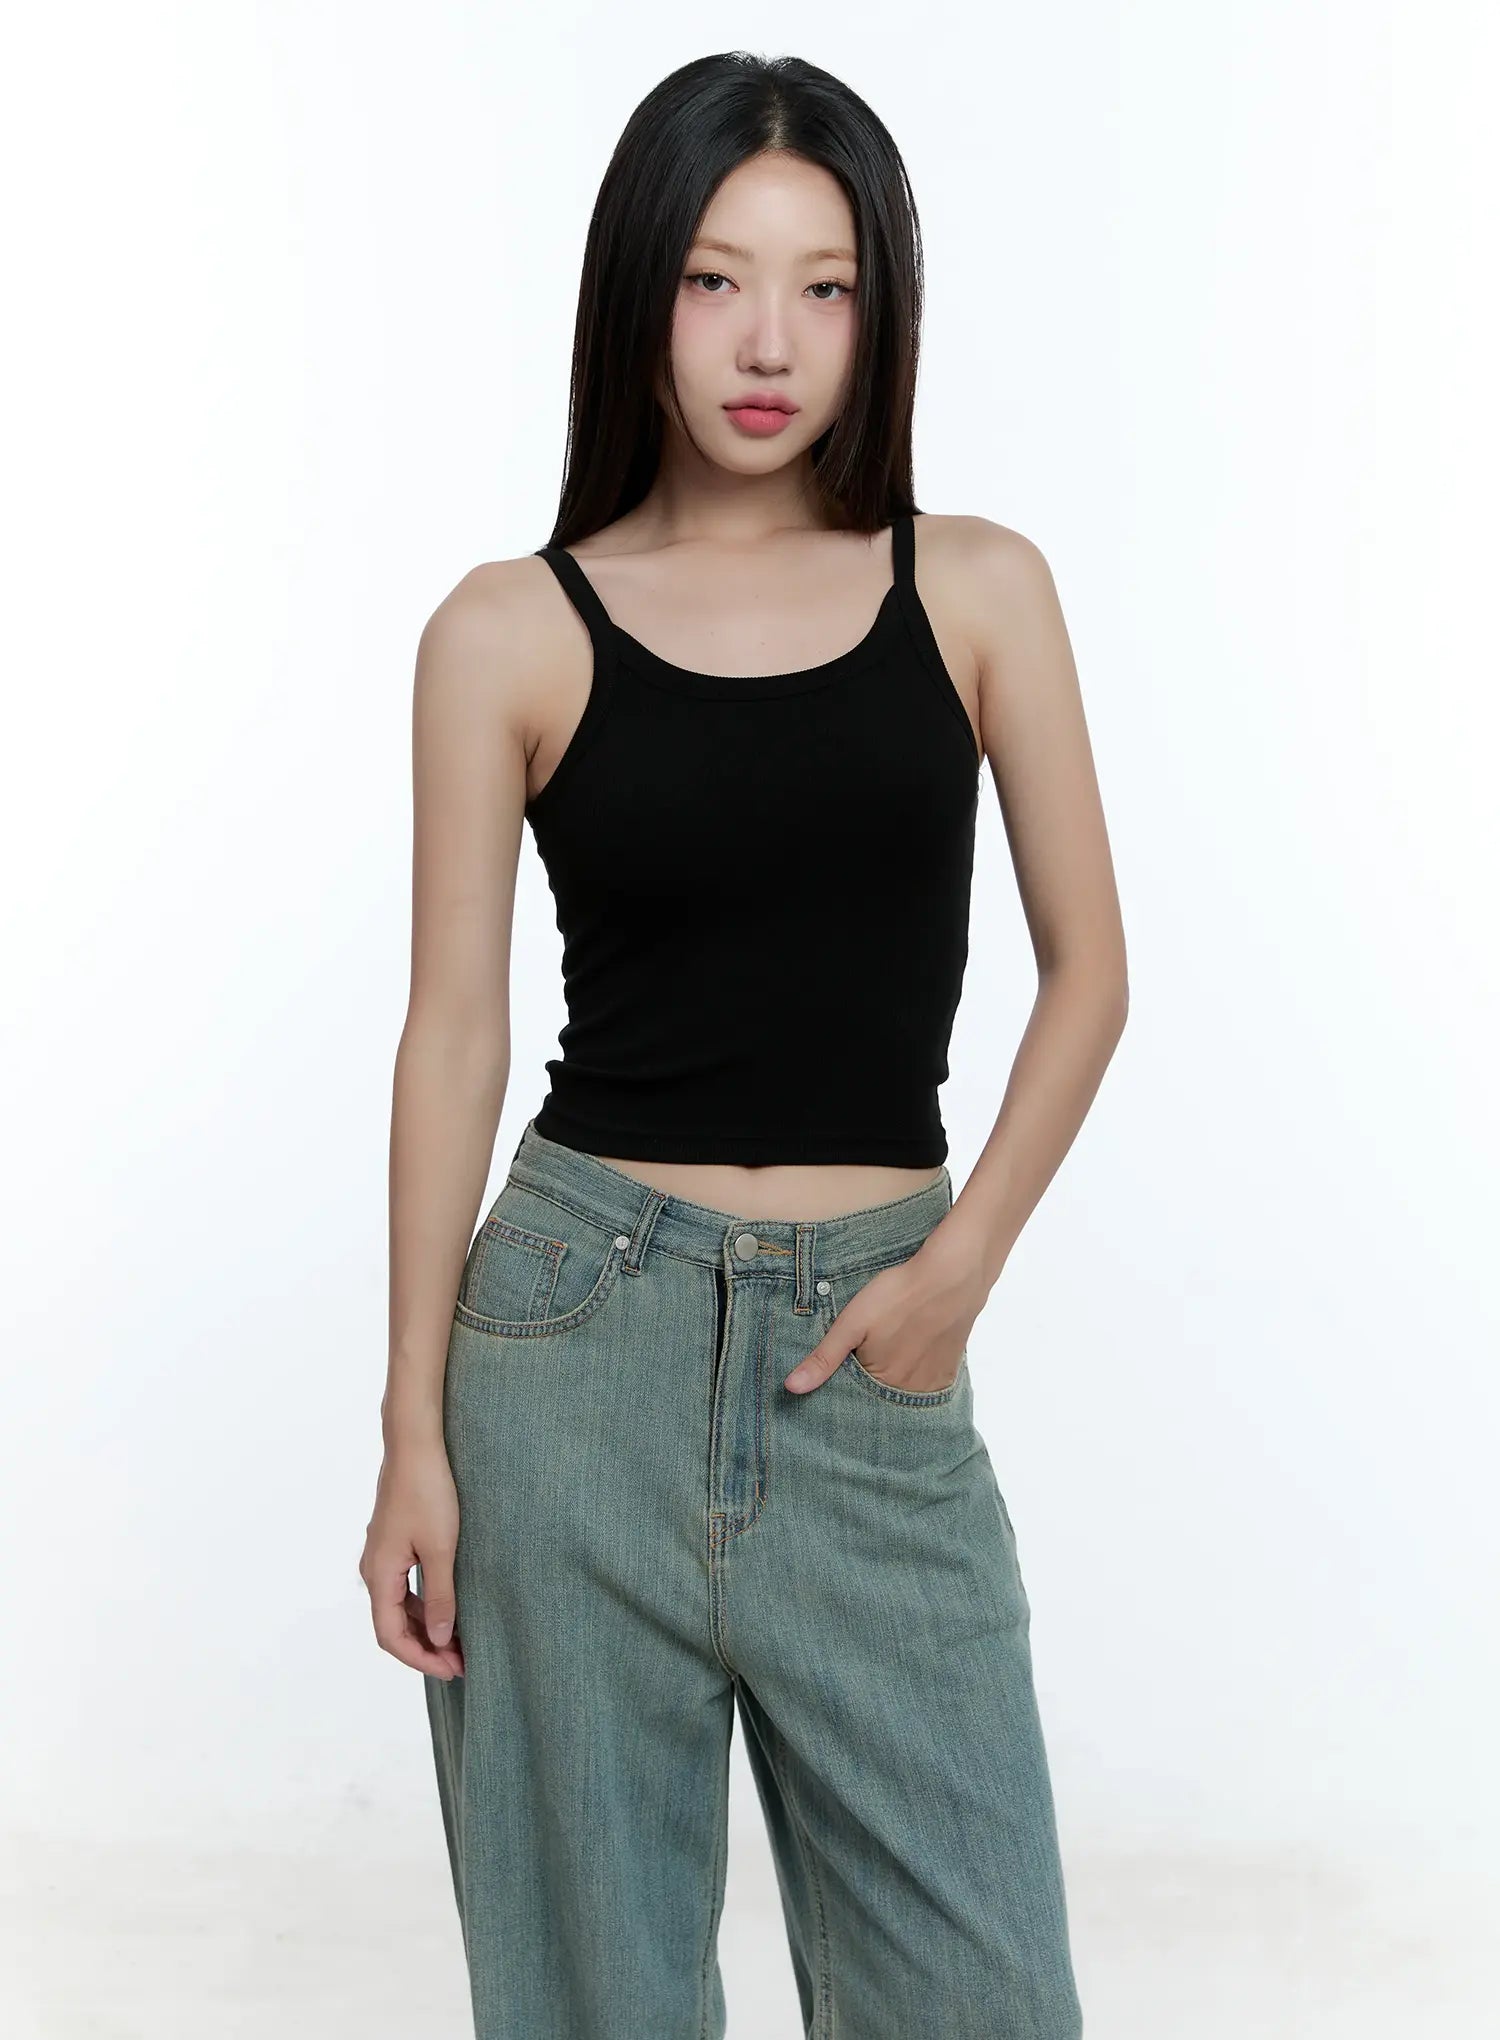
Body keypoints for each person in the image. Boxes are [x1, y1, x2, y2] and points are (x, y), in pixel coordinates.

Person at [360, 49, 1125, 2040]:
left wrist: (959, 1267)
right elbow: (454, 1037)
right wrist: (413, 1431)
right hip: (570, 1361)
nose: (769, 342)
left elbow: (1092, 971)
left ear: (881, 314)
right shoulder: (507, 631)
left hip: (873, 1351)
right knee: (591, 2001)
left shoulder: (975, 590)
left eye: (824, 286)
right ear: (642, 294)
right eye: (716, 279)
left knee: (984, 1994)